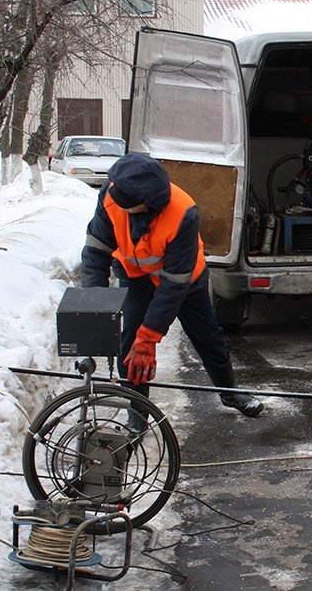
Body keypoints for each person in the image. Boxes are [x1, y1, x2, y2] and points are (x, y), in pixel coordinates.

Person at [81, 151, 264, 420]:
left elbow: (173, 287)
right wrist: (95, 306)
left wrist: (150, 339)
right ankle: (138, 413)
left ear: (146, 202)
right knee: (130, 340)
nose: (117, 200)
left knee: (208, 338)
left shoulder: (183, 213)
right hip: (136, 277)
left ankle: (229, 391)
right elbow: (96, 252)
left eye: (125, 202)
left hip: (185, 283)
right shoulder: (112, 195)